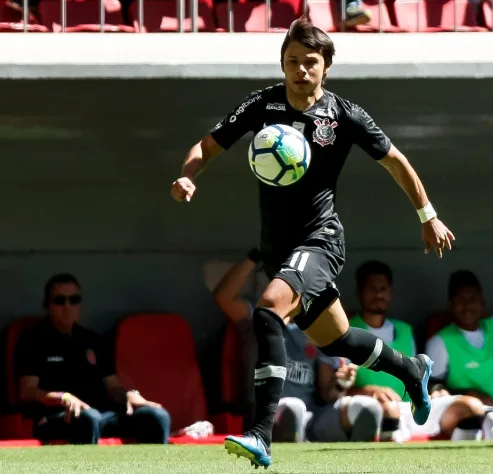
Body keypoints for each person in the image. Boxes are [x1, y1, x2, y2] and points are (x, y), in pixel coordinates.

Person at [169, 16, 455, 469]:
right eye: (292, 62)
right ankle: (410, 369)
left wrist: (428, 215)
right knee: (338, 340)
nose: (300, 70)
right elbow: (208, 145)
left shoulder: (343, 115)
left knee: (267, 311)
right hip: (279, 248)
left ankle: (261, 432)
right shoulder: (262, 105)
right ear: (282, 64)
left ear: (327, 68)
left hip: (321, 239)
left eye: (310, 63)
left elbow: (395, 161)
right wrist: (187, 175)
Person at [213, 250, 383, 444]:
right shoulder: (260, 318)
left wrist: (341, 383)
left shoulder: (317, 327)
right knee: (293, 410)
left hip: (314, 419)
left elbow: (329, 395)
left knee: (367, 408)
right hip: (272, 418)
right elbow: (223, 297)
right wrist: (255, 256)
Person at [349, 261, 493, 442]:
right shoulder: (348, 332)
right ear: (359, 292)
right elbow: (333, 392)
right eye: (372, 288)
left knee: (471, 408)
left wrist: (435, 391)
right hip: (376, 408)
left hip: (412, 408)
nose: (378, 294)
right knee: (391, 418)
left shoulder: (405, 330)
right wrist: (367, 390)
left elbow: (420, 378)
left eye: (383, 288)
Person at [14, 273, 171, 444]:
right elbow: (27, 391)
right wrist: (64, 397)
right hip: (58, 416)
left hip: (101, 414)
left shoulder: (92, 340)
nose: (67, 307)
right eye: (60, 301)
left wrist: (130, 395)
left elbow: (113, 386)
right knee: (89, 418)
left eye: (74, 300)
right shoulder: (33, 340)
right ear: (48, 305)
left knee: (157, 416)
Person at [426, 270, 493, 422]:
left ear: (482, 301)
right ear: (450, 304)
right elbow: (433, 385)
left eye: (473, 299)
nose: (467, 305)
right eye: (461, 300)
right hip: (477, 411)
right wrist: (467, 393)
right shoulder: (440, 342)